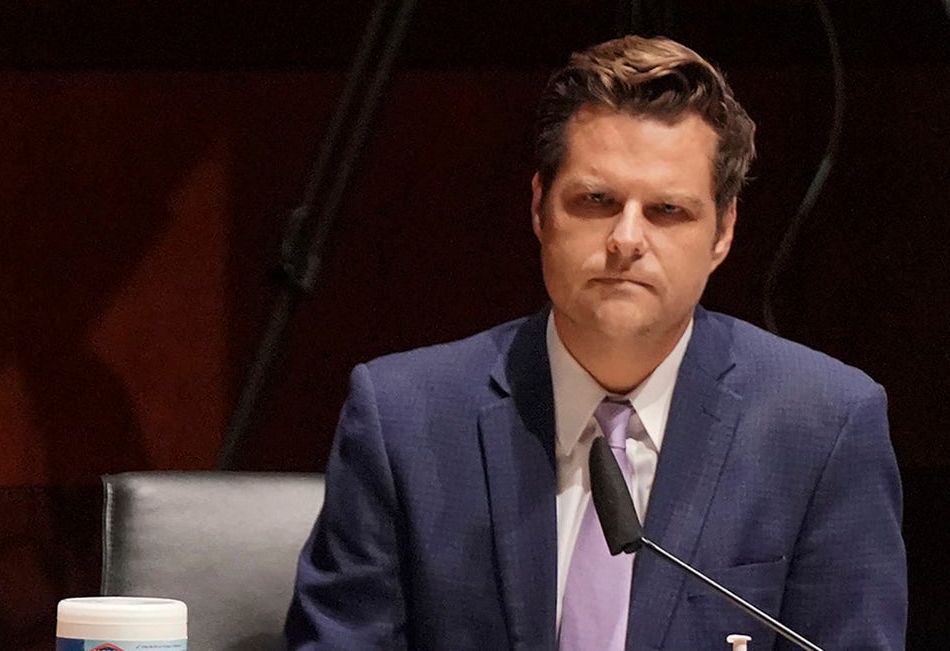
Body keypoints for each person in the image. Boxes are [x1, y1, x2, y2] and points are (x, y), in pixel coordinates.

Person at [285, 35, 906, 650]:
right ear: (539, 208)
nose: (625, 239)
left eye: (667, 210)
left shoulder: (823, 427)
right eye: (597, 200)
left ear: (723, 232)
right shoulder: (404, 419)